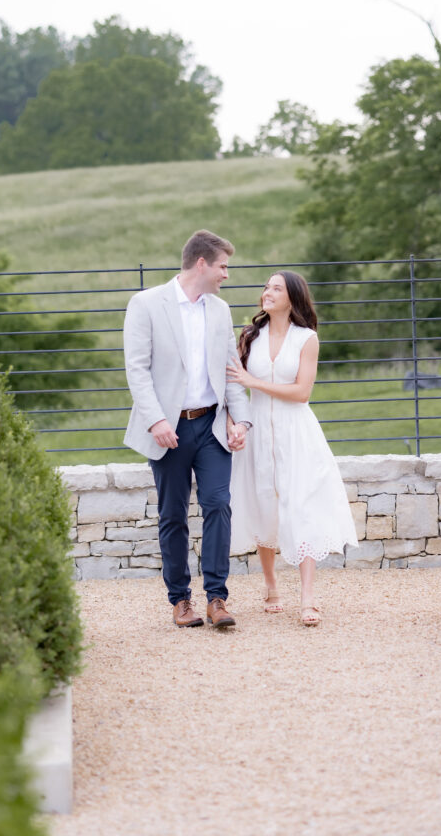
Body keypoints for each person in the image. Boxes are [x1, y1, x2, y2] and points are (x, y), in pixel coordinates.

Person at [123, 230, 252, 629]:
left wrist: (241, 420)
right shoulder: (146, 304)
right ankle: (180, 600)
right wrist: (156, 420)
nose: (226, 274)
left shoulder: (220, 310)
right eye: (222, 266)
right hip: (168, 430)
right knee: (173, 515)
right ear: (201, 264)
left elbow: (231, 371)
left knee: (218, 504)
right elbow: (137, 369)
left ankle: (217, 599)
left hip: (212, 426)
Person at [227, 271, 358, 626]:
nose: (267, 292)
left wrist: (253, 382)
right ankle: (271, 585)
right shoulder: (250, 336)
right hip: (256, 431)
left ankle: (308, 597)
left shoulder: (306, 339)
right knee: (263, 503)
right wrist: (234, 424)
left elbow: (302, 392)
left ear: (292, 297)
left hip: (296, 432)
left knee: (301, 507)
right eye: (266, 287)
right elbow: (233, 387)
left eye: (276, 288)